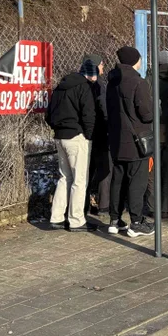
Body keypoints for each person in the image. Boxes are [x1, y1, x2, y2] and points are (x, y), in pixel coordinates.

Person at [107, 46, 155, 237]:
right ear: (135, 60)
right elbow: (146, 114)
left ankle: (114, 219)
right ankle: (136, 222)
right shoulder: (138, 82)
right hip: (136, 141)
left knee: (117, 179)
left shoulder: (111, 82)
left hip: (117, 138)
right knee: (137, 181)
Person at [46, 58, 97, 232]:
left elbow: (49, 114)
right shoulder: (84, 88)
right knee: (79, 179)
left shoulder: (60, 88)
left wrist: (57, 128)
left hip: (60, 136)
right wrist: (88, 135)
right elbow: (89, 115)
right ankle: (76, 219)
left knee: (64, 177)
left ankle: (57, 217)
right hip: (76, 137)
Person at [144, 50, 168, 219]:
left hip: (152, 129)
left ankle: (153, 206)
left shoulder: (148, 80)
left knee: (152, 169)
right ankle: (167, 207)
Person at [84, 55, 111, 223]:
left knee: (86, 171)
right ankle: (104, 207)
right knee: (104, 169)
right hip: (100, 132)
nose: (103, 67)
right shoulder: (101, 86)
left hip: (85, 133)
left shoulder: (80, 84)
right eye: (101, 64)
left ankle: (84, 204)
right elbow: (104, 110)